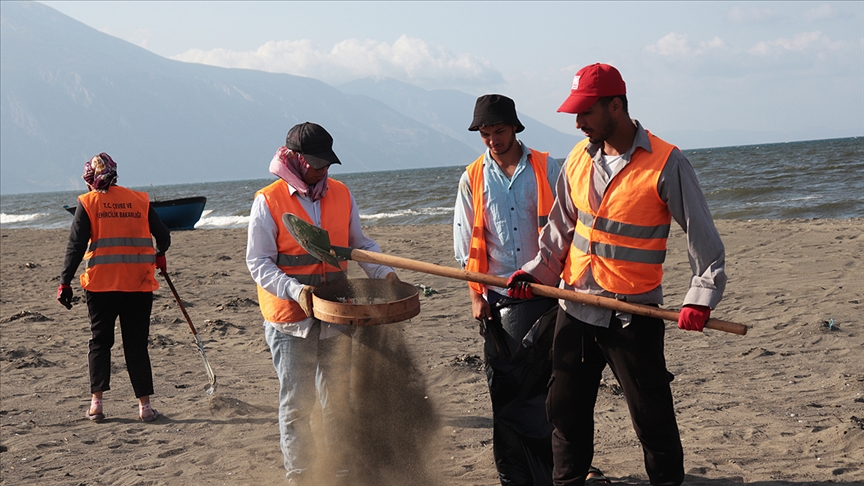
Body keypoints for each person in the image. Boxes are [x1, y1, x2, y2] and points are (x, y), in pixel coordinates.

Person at [506, 63, 727, 486]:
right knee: (564, 412)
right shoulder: (577, 158)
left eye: (586, 112)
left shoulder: (666, 162)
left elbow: (704, 238)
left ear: (616, 106)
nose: (578, 122)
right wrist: (534, 273)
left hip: (633, 314)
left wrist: (700, 296)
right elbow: (560, 230)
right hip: (576, 305)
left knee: (652, 418)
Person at [454, 95, 606, 486]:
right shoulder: (472, 178)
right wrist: (476, 297)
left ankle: (566, 468)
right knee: (507, 392)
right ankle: (520, 473)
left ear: (515, 128)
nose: (492, 140)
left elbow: (569, 230)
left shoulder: (546, 167)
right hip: (499, 295)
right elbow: (466, 246)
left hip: (546, 290)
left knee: (555, 387)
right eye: (485, 134)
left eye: (499, 131)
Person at [246, 122, 398, 485]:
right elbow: (258, 262)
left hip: (336, 312)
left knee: (337, 401)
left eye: (326, 163)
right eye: (315, 163)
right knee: (297, 404)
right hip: (290, 321)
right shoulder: (268, 201)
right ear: (295, 160)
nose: (322, 170)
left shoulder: (341, 194)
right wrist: (295, 290)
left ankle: (340, 472)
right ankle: (300, 477)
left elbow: (360, 244)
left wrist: (385, 275)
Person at [58, 152, 170, 423]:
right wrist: (160, 253)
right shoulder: (139, 200)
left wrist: (65, 281)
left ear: (89, 179)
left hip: (101, 286)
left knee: (100, 342)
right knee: (136, 345)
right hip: (138, 284)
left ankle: (96, 404)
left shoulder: (88, 202)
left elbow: (75, 247)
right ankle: (145, 407)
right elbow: (163, 236)